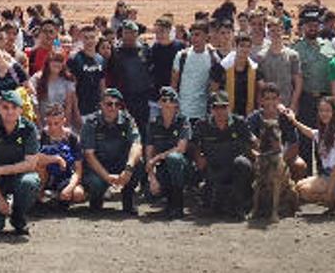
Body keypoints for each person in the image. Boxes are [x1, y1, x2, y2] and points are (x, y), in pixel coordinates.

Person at [0, 90, 42, 235]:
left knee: (30, 182)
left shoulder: (29, 129)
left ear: (21, 109)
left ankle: (18, 217)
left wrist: (0, 170)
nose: (10, 111)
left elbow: (31, 164)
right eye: (5, 107)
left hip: (18, 177)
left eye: (14, 107)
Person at [286, 96, 335, 214]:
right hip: (329, 175)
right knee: (299, 186)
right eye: (321, 111)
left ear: (334, 112)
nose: (324, 114)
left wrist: (329, 193)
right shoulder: (324, 131)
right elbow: (309, 132)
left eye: (328, 111)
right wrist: (293, 120)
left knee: (305, 191)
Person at [81, 88, 144, 214]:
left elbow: (137, 145)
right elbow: (89, 155)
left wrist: (128, 168)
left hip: (120, 164)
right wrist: (107, 177)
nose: (113, 107)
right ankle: (96, 201)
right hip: (99, 165)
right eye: (109, 104)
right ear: (101, 105)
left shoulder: (127, 120)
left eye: (117, 104)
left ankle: (128, 199)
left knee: (138, 163)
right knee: (95, 183)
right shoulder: (91, 122)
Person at [194, 91, 254, 217]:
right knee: (210, 206)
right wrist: (198, 157)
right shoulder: (202, 124)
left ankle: (239, 206)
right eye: (216, 107)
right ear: (211, 109)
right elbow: (193, 145)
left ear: (229, 107)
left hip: (234, 168)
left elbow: (252, 143)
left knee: (243, 163)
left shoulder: (240, 123)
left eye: (223, 107)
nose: (220, 111)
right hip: (213, 168)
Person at [293, 8, 335, 171]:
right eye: (309, 25)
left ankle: (324, 174)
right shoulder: (297, 48)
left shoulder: (329, 47)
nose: (312, 28)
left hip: (325, 100)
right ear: (303, 27)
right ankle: (306, 178)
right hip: (306, 98)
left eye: (315, 25)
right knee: (305, 140)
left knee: (325, 139)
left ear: (319, 27)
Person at [145, 87, 193, 218]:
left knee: (174, 158)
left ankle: (178, 205)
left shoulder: (183, 121)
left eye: (171, 100)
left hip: (183, 169)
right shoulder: (153, 124)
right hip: (162, 168)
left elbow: (181, 148)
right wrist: (152, 178)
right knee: (150, 194)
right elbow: (148, 154)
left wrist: (158, 157)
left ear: (176, 104)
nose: (167, 103)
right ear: (159, 103)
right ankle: (168, 202)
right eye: (163, 100)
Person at [247, 83, 306, 180]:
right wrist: (260, 158)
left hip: (282, 156)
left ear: (279, 100)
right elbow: (247, 142)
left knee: (300, 165)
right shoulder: (253, 118)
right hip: (260, 156)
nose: (271, 102)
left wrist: (280, 161)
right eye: (267, 99)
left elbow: (294, 145)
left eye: (274, 98)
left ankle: (294, 193)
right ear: (261, 101)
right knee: (245, 165)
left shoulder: (286, 118)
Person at [36, 103, 85, 206]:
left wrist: (70, 188)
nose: (52, 127)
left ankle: (57, 197)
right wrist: (56, 159)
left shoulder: (72, 138)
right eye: (49, 123)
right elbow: (34, 158)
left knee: (78, 194)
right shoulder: (42, 136)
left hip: (66, 176)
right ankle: (42, 195)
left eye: (56, 123)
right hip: (46, 177)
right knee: (39, 164)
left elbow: (78, 170)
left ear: (64, 121)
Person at [107, 20, 154, 127]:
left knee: (144, 128)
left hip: (143, 97)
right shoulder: (116, 52)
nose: (129, 36)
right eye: (126, 33)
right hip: (124, 98)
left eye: (132, 33)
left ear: (137, 34)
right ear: (122, 34)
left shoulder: (145, 49)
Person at [173, 21, 220, 122]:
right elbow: (174, 84)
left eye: (197, 35)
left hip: (203, 115)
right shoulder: (181, 56)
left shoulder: (213, 58)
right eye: (192, 34)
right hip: (182, 113)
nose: (194, 38)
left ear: (206, 36)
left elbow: (214, 87)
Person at [257, 18, 302, 115]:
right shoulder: (261, 56)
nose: (276, 33)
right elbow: (260, 84)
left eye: (278, 30)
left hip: (287, 105)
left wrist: (293, 105)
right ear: (268, 33)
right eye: (272, 31)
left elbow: (298, 83)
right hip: (268, 107)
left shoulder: (292, 55)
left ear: (283, 31)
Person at [28, 51, 76, 127]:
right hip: (43, 120)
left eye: (60, 61)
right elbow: (34, 104)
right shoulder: (37, 78)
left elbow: (69, 105)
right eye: (54, 61)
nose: (57, 64)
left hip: (60, 121)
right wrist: (40, 125)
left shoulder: (67, 79)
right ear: (48, 63)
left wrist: (65, 125)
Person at [222, 34, 265, 117]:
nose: (245, 49)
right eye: (242, 46)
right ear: (235, 46)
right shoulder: (223, 67)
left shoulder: (255, 68)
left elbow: (261, 90)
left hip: (248, 115)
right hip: (227, 115)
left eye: (248, 46)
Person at [68, 33, 107, 121]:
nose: (89, 41)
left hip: (97, 109)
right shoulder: (75, 59)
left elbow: (102, 84)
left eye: (92, 37)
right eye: (86, 38)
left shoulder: (100, 59)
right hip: (81, 109)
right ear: (82, 40)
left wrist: (104, 105)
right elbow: (72, 88)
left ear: (97, 40)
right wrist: (75, 111)